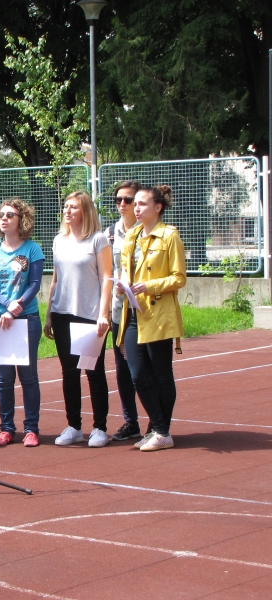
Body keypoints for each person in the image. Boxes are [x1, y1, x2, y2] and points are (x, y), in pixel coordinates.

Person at [116, 185, 186, 452]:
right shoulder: (132, 236)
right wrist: (122, 285)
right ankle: (159, 429)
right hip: (134, 313)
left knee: (161, 374)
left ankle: (160, 431)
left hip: (158, 314)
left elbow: (179, 278)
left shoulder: (169, 236)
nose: (136, 208)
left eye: (142, 203)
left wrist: (150, 286)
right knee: (137, 374)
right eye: (135, 203)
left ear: (158, 208)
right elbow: (126, 271)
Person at [44, 191, 113, 448]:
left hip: (89, 315)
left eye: (73, 207)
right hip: (62, 314)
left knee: (93, 371)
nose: (67, 211)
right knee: (69, 372)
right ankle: (74, 426)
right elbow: (55, 279)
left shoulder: (98, 239)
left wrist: (103, 314)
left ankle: (99, 428)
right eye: (66, 206)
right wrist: (49, 313)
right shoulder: (59, 240)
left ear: (85, 211)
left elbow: (106, 278)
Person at [0, 199, 45, 447]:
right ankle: (6, 429)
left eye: (10, 215)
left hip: (26, 318)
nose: (4, 218)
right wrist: (7, 305)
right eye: (1, 214)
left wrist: (16, 308)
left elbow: (35, 284)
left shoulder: (32, 249)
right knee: (4, 378)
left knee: (28, 377)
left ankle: (31, 429)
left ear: (22, 220)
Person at [107, 181, 143, 442]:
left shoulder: (150, 231)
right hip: (119, 309)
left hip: (146, 310)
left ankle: (157, 421)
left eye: (128, 200)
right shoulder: (110, 233)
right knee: (122, 368)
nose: (122, 204)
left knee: (144, 369)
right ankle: (131, 422)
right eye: (118, 199)